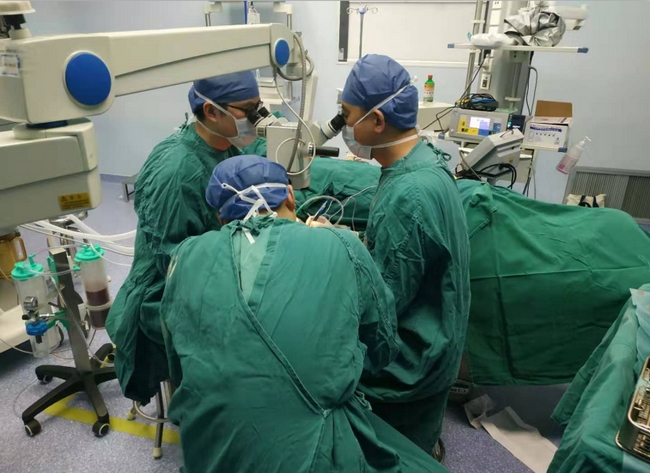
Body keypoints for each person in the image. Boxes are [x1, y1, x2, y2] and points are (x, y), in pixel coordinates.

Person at [160, 155, 449, 473]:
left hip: (207, 447)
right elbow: (382, 347)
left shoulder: (185, 256)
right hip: (309, 453)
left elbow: (179, 363)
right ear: (290, 194)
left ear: (220, 217)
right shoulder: (341, 244)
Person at [106, 71, 266, 404]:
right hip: (165, 292)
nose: (257, 118)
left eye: (258, 106)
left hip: (209, 264)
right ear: (211, 111)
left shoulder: (223, 145)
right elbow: (176, 264)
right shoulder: (178, 173)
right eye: (249, 110)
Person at [340, 54, 471, 456]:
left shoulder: (408, 195)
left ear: (377, 121)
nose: (344, 126)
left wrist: (338, 261)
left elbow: (382, 304)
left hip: (410, 361)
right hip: (438, 342)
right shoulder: (424, 162)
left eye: (347, 115)